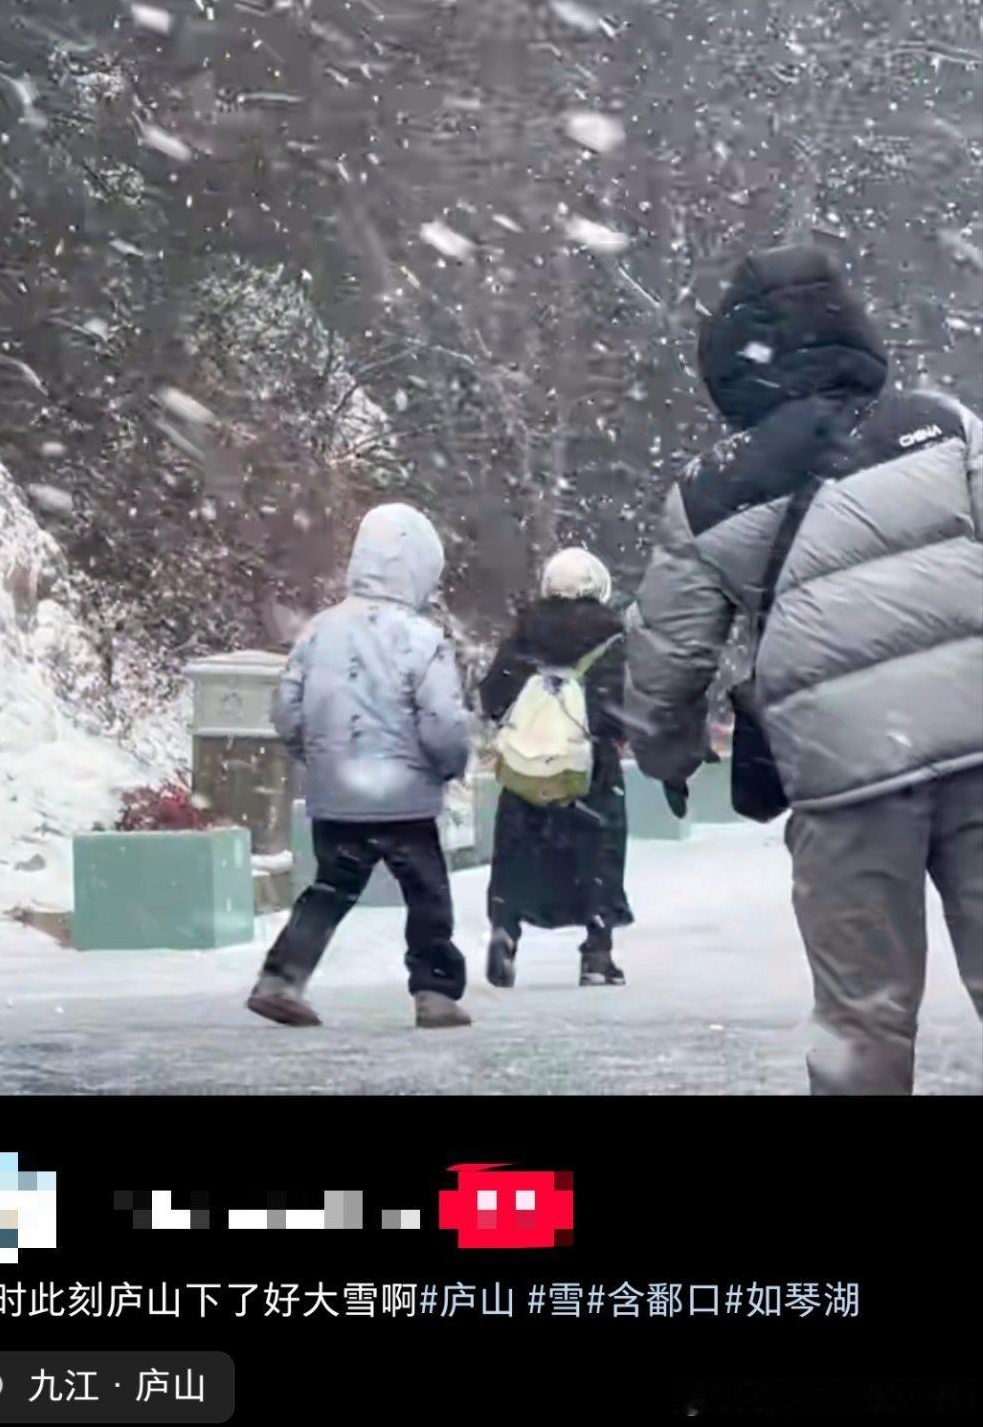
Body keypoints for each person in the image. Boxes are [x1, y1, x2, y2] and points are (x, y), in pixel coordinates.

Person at [624, 240, 983, 1095]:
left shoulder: (710, 487)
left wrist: (667, 750)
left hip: (847, 774)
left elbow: (670, 650)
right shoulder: (941, 422)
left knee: (863, 1017)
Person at [246, 502, 473, 1031]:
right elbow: (441, 719)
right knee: (426, 894)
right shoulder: (421, 638)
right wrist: (449, 764)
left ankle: (281, 979)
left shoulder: (319, 631)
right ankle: (435, 992)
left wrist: (319, 757)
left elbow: (287, 711)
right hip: (405, 799)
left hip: (337, 795)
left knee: (330, 888)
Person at [479, 547, 633, 989]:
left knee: (516, 853)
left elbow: (493, 697)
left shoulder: (523, 633)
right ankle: (597, 953)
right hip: (590, 768)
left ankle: (506, 930)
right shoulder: (611, 637)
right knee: (598, 853)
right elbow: (622, 705)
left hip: (527, 767)